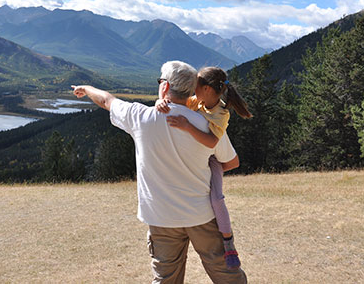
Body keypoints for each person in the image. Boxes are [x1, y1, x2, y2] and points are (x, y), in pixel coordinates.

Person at [72, 61, 247, 284]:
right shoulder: (207, 124)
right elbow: (232, 162)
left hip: (161, 216)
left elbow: (106, 100)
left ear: (164, 86)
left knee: (166, 278)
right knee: (227, 276)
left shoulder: (140, 117)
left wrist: (86, 88)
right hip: (201, 214)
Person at [155, 66, 252, 270]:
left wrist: (187, 126)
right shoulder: (196, 101)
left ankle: (228, 242)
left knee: (216, 199)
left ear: (207, 89)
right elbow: (174, 102)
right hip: (196, 155)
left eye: (195, 85)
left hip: (212, 159)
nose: (192, 88)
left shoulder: (222, 112)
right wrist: (160, 101)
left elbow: (211, 143)